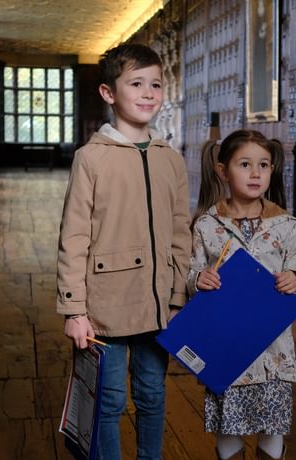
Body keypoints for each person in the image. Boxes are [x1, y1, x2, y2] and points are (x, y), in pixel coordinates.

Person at [56, 43, 191, 460]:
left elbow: (180, 233)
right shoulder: (91, 158)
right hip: (104, 309)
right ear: (108, 93)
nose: (149, 92)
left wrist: (177, 296)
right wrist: (75, 309)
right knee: (109, 401)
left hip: (156, 307)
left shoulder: (172, 159)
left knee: (153, 395)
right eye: (136, 83)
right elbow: (73, 237)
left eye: (156, 84)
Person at [187, 130, 296, 460]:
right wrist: (199, 279)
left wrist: (294, 279)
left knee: (273, 427)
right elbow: (189, 272)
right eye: (245, 164)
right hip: (227, 351)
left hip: (274, 353)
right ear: (222, 170)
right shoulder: (206, 226)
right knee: (230, 428)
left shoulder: (285, 224)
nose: (256, 173)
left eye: (264, 165)